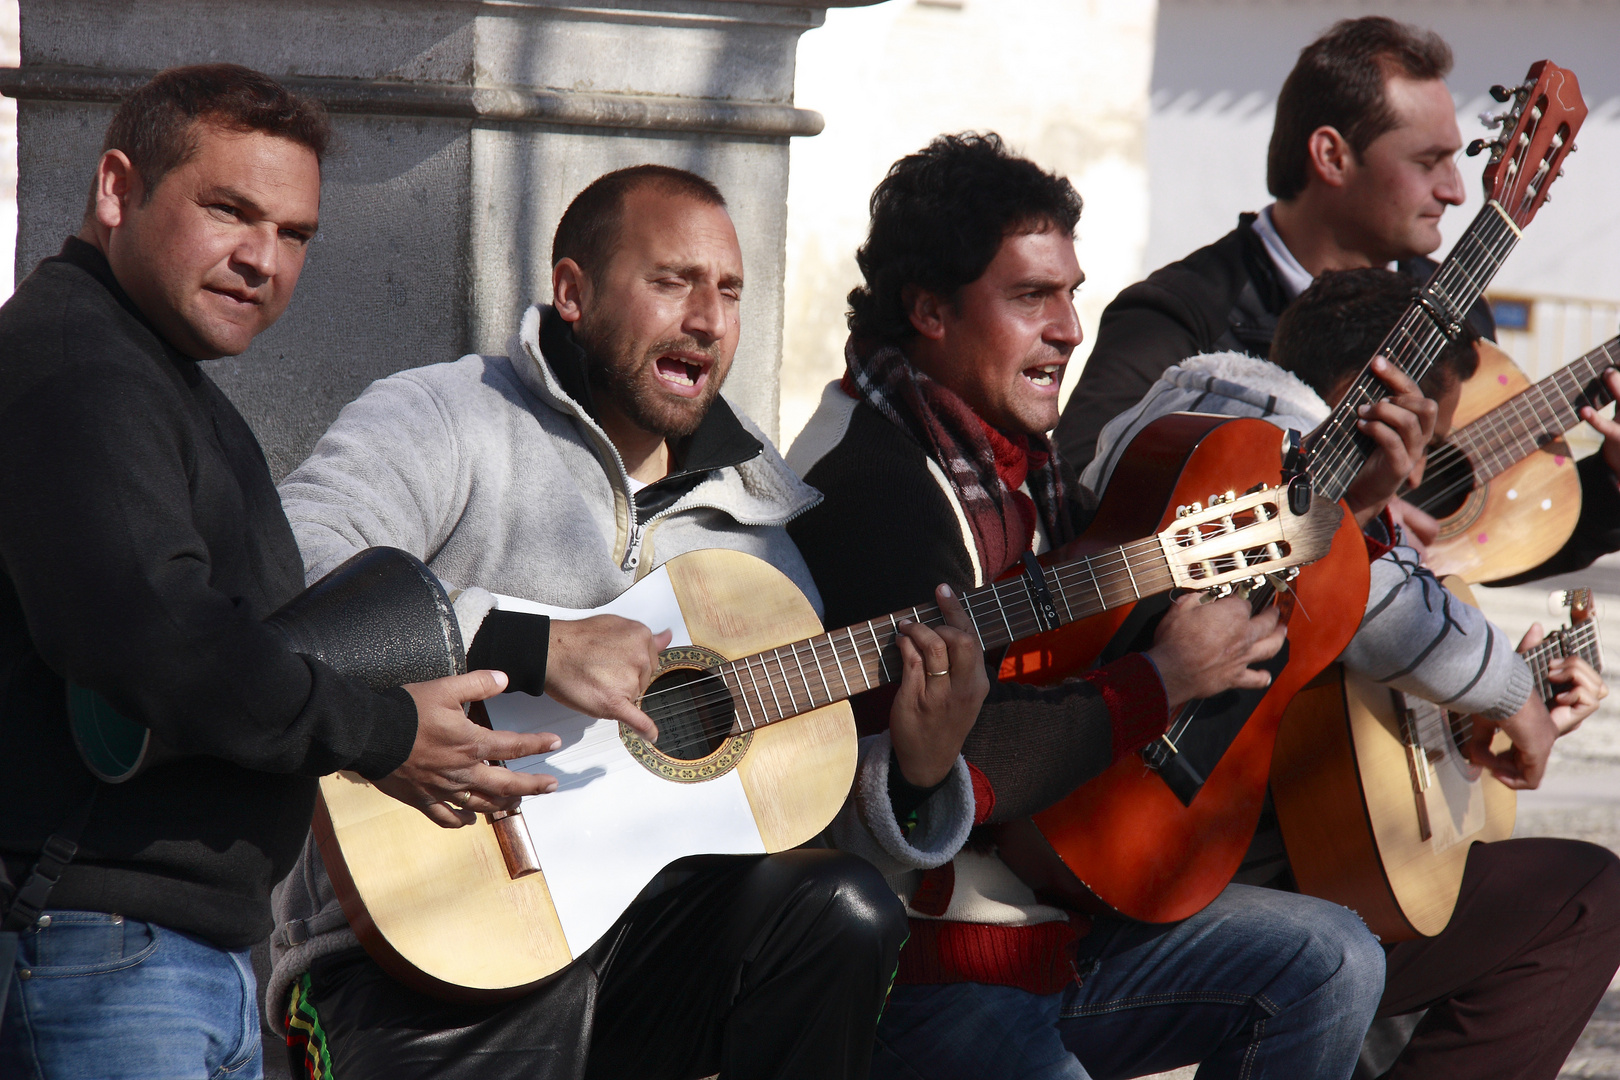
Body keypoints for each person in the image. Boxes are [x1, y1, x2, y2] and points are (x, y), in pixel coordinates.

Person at [0, 65, 663, 1080]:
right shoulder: (78, 363)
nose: (261, 259)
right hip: (101, 950)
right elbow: (157, 638)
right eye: (229, 211)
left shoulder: (153, 371)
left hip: (174, 958)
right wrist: (386, 731)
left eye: (295, 233)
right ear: (116, 189)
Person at [268, 164, 989, 1080]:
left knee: (841, 910)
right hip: (421, 948)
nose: (708, 317)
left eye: (728, 290)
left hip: (650, 954)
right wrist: (530, 645)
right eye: (671, 281)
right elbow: (292, 567)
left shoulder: (759, 513)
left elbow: (780, 814)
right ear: (572, 291)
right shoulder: (452, 415)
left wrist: (920, 772)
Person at [787, 131, 1391, 1080]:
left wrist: (1352, 508)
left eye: (1070, 293)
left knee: (1332, 958)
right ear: (930, 310)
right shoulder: (872, 483)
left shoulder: (1023, 463)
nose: (1070, 328)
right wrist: (1164, 680)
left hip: (1056, 925)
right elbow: (963, 749)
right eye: (1032, 297)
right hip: (927, 971)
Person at [1086, 266, 1620, 1080]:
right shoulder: (1257, 445)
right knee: (1584, 897)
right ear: (1373, 397)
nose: (1415, 488)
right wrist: (1518, 701)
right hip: (1151, 895)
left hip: (1265, 859)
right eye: (1421, 445)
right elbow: (1374, 596)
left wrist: (1502, 693)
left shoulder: (1197, 409)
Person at [1057, 14, 1620, 581]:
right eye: (1428, 162)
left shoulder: (1458, 308)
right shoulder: (1179, 315)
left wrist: (1611, 486)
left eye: (1457, 159)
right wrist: (1351, 520)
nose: (1454, 190)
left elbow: (1470, 548)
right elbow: (1083, 499)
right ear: (1331, 156)